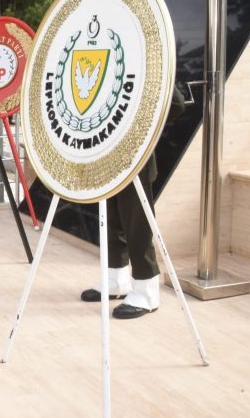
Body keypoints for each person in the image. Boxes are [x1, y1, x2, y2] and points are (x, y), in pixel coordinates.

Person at [80, 85, 187, 319]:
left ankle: (146, 290)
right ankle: (115, 279)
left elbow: (176, 103)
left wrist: (139, 129)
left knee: (137, 225)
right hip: (106, 152)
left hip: (135, 156)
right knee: (111, 220)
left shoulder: (148, 55)